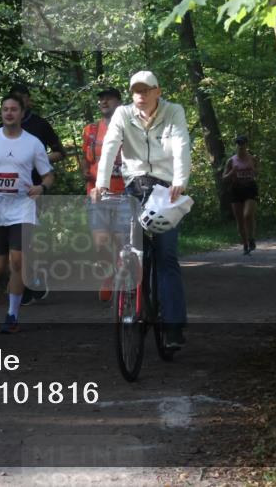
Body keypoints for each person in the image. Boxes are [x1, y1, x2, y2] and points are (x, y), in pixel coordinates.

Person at [92, 71, 191, 350]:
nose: (141, 96)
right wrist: (101, 184)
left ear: (158, 91)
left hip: (166, 188)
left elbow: (182, 145)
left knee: (166, 256)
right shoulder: (123, 114)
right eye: (136, 90)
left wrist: (180, 180)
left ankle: (172, 326)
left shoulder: (174, 112)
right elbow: (110, 147)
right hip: (135, 186)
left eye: (146, 90)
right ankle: (134, 302)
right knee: (135, 252)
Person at [0, 95, 55, 334]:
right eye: (5, 109)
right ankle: (30, 272)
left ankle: (12, 315)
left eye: (13, 109)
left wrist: (42, 187)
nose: (9, 113)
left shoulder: (33, 143)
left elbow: (48, 175)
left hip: (23, 208)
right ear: (1, 113)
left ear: (21, 113)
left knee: (16, 261)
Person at [9, 83, 66, 305]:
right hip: (7, 191)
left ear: (28, 101)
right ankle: (25, 279)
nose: (17, 105)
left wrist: (37, 160)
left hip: (34, 188)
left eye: (21, 99)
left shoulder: (40, 124)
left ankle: (32, 279)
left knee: (28, 237)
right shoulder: (2, 127)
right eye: (13, 101)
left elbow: (60, 152)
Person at [79, 87, 131, 302]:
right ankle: (108, 275)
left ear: (119, 103)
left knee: (122, 241)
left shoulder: (131, 129)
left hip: (125, 193)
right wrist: (84, 171)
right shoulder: (90, 130)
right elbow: (85, 159)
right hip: (97, 194)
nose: (103, 102)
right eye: (101, 99)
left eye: (108, 98)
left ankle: (124, 274)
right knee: (100, 242)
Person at [223, 135, 259, 255]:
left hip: (250, 188)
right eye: (238, 144)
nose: (240, 146)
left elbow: (258, 173)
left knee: (248, 215)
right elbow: (224, 177)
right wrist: (232, 173)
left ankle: (251, 238)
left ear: (246, 145)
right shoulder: (231, 161)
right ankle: (245, 245)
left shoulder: (252, 159)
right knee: (239, 220)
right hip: (236, 189)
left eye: (242, 144)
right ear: (236, 146)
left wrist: (254, 170)